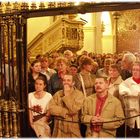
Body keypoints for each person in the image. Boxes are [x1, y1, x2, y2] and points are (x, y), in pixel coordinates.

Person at [48, 72, 85, 138]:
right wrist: (65, 112)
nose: (66, 82)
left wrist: (66, 95)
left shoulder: (79, 94)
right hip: (58, 129)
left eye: (68, 80)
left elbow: (74, 110)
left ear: (73, 83)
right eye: (64, 80)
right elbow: (51, 109)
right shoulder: (58, 94)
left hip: (72, 129)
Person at [119, 61, 140, 137]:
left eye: (137, 70)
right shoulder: (126, 82)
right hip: (130, 115)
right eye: (134, 69)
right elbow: (122, 91)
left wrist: (131, 93)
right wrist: (135, 93)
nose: (135, 72)